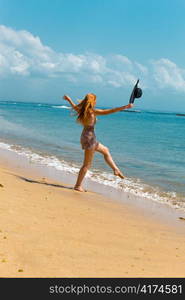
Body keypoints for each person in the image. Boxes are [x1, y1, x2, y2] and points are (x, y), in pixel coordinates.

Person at [63, 93, 133, 192]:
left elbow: (74, 106)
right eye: (95, 100)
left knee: (105, 150)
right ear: (93, 101)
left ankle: (115, 170)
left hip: (87, 137)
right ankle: (78, 185)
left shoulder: (82, 111)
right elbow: (109, 111)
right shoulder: (92, 112)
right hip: (90, 139)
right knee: (86, 164)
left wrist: (69, 99)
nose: (96, 102)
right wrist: (125, 107)